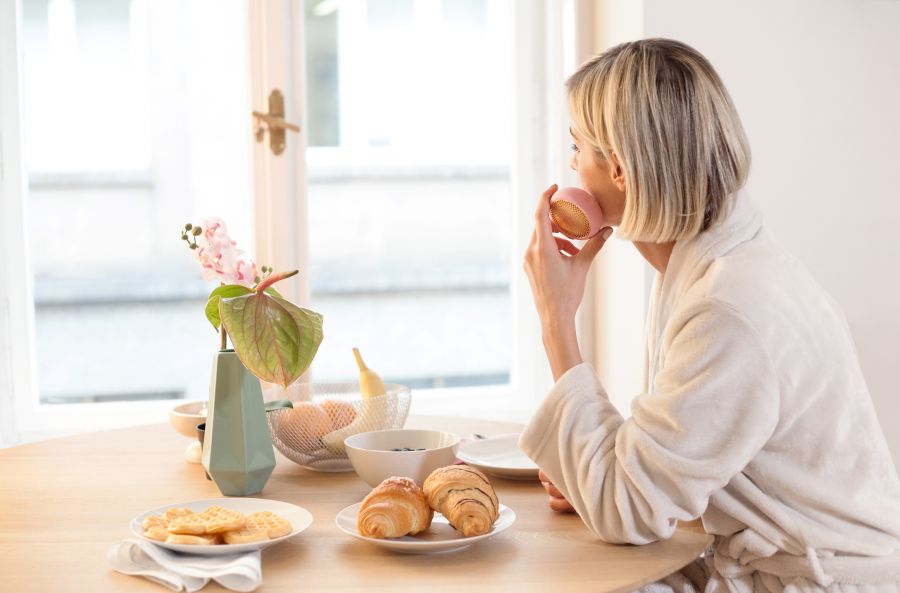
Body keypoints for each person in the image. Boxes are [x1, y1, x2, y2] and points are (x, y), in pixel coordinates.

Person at [520, 38, 900, 593]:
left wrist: (557, 319)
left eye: (577, 147)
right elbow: (665, 471)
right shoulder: (713, 263)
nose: (572, 164)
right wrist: (595, 473)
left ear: (619, 169)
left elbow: (629, 511)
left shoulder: (727, 308)